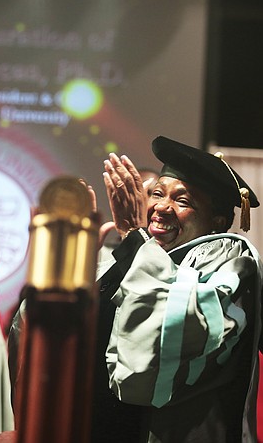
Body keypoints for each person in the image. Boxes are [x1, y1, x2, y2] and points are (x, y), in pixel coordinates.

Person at [93, 135, 262, 442]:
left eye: (183, 201)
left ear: (217, 222)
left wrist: (135, 238)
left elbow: (160, 343)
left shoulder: (229, 259)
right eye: (157, 194)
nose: (161, 207)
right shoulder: (133, 255)